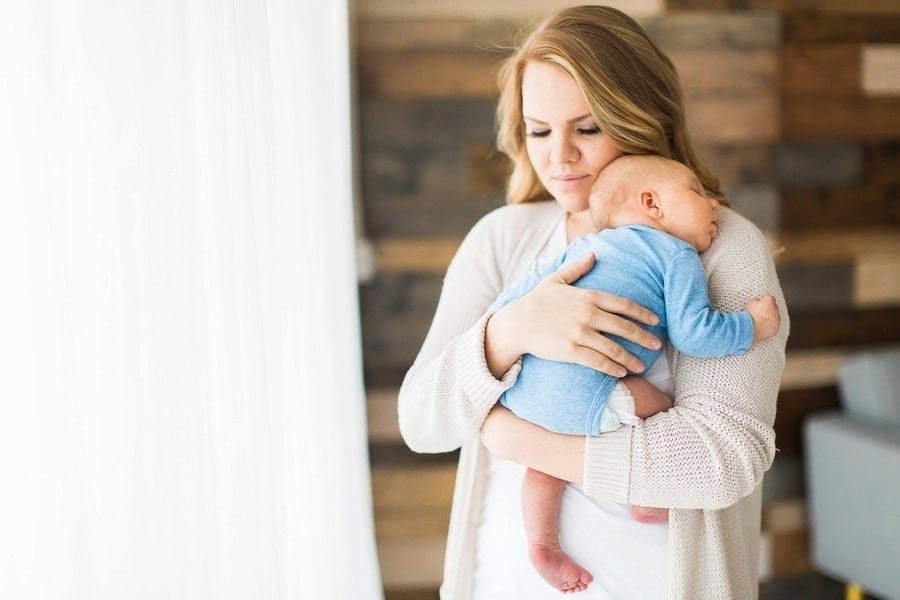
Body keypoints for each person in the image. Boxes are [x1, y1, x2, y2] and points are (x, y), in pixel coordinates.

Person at [397, 5, 789, 599]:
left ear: (643, 120)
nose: (559, 158)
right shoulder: (505, 241)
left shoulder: (719, 248)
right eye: (539, 131)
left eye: (586, 128)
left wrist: (526, 443)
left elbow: (725, 456)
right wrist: (511, 331)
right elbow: (421, 422)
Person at [488, 154, 781, 593]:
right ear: (653, 204)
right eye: (698, 194)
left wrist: (502, 330)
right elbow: (695, 333)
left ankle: (542, 543)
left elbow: (518, 297)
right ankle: (650, 496)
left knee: (542, 466)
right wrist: (751, 324)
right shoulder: (675, 253)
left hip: (527, 392)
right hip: (591, 395)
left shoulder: (587, 246)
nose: (714, 206)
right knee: (659, 405)